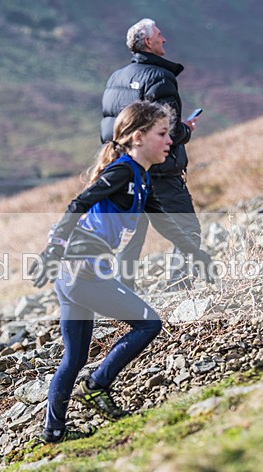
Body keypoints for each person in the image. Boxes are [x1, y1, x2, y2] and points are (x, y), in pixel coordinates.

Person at [30, 101, 214, 443]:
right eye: (162, 134)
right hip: (83, 269)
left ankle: (53, 432)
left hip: (73, 274)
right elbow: (78, 203)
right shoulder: (123, 171)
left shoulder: (141, 177)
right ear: (138, 137)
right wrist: (53, 247)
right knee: (149, 323)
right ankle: (97, 385)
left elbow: (167, 225)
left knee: (74, 357)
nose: (169, 141)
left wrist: (195, 252)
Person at [101, 18, 203, 290]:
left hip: (125, 171)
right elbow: (166, 128)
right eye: (160, 35)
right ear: (148, 42)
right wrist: (186, 129)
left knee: (129, 240)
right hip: (160, 172)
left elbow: (109, 129)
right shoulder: (160, 77)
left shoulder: (116, 78)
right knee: (187, 233)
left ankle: (121, 303)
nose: (164, 39)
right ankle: (179, 295)